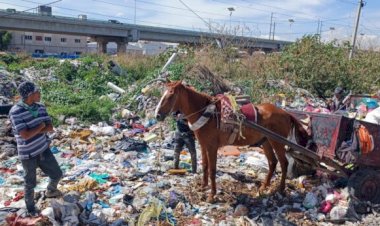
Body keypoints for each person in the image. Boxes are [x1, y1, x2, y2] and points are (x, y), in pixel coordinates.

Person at [9, 81, 62, 216]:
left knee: (57, 174)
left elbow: (50, 127)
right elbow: (25, 135)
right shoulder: (16, 112)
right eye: (37, 91)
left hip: (43, 149)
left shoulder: (40, 107)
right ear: (30, 94)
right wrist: (40, 127)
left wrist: (36, 129)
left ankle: (50, 190)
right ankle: (31, 208)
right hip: (28, 154)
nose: (40, 94)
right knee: (30, 183)